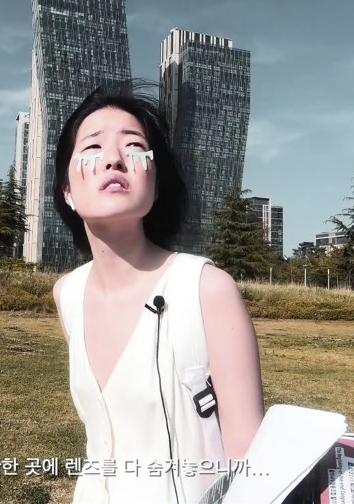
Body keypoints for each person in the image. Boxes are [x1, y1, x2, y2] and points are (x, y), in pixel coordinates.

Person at [51, 81, 265, 503]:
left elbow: (250, 466)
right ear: (67, 192)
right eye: (92, 148)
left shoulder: (206, 288)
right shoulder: (67, 293)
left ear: (155, 183)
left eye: (134, 147)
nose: (114, 159)